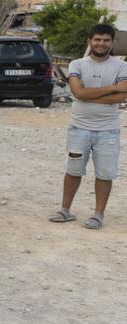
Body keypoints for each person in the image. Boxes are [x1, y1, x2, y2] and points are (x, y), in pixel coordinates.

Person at [48, 24, 127, 229]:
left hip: (108, 130)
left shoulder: (121, 67)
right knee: (73, 170)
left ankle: (98, 215)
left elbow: (122, 96)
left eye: (106, 40)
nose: (101, 44)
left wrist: (89, 95)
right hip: (79, 129)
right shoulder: (77, 64)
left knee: (105, 174)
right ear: (89, 41)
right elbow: (78, 93)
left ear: (113, 42)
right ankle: (65, 210)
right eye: (97, 39)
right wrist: (111, 90)